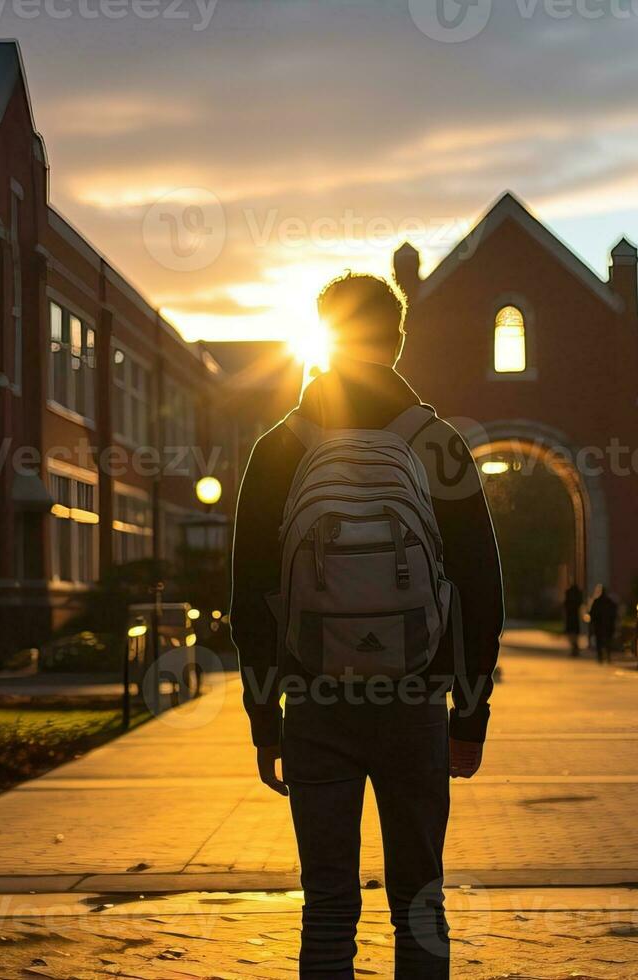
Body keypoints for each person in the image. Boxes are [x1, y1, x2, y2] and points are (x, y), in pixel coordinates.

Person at [231, 272, 505, 979]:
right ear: (399, 340)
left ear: (323, 331)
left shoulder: (279, 449)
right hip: (415, 699)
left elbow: (249, 598)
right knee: (420, 901)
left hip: (314, 700)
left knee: (326, 902)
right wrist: (470, 716)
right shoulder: (439, 445)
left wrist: (265, 720)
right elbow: (480, 589)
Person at [588, 585, 617, 663]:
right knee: (607, 641)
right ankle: (606, 656)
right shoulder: (609, 602)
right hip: (607, 625)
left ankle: (601, 656)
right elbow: (614, 613)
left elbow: (592, 613)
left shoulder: (597, 602)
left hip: (600, 625)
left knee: (600, 641)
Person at [562, 583, 584, 657]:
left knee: (571, 634)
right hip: (574, 618)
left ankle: (574, 648)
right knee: (574, 634)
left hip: (571, 617)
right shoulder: (577, 596)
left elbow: (565, 605)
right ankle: (575, 648)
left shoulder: (569, 596)